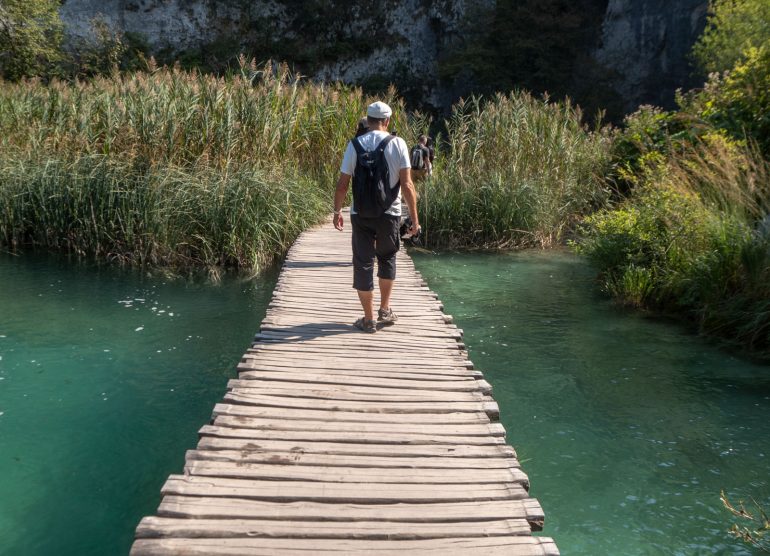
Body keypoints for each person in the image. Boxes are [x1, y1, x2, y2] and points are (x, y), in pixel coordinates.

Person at [333, 101, 420, 333]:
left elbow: (342, 185)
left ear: (368, 120)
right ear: (388, 121)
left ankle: (368, 318)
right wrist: (414, 219)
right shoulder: (398, 143)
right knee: (387, 259)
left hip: (360, 214)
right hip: (390, 214)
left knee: (362, 263)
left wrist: (336, 212)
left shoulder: (354, 145)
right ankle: (384, 309)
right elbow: (408, 184)